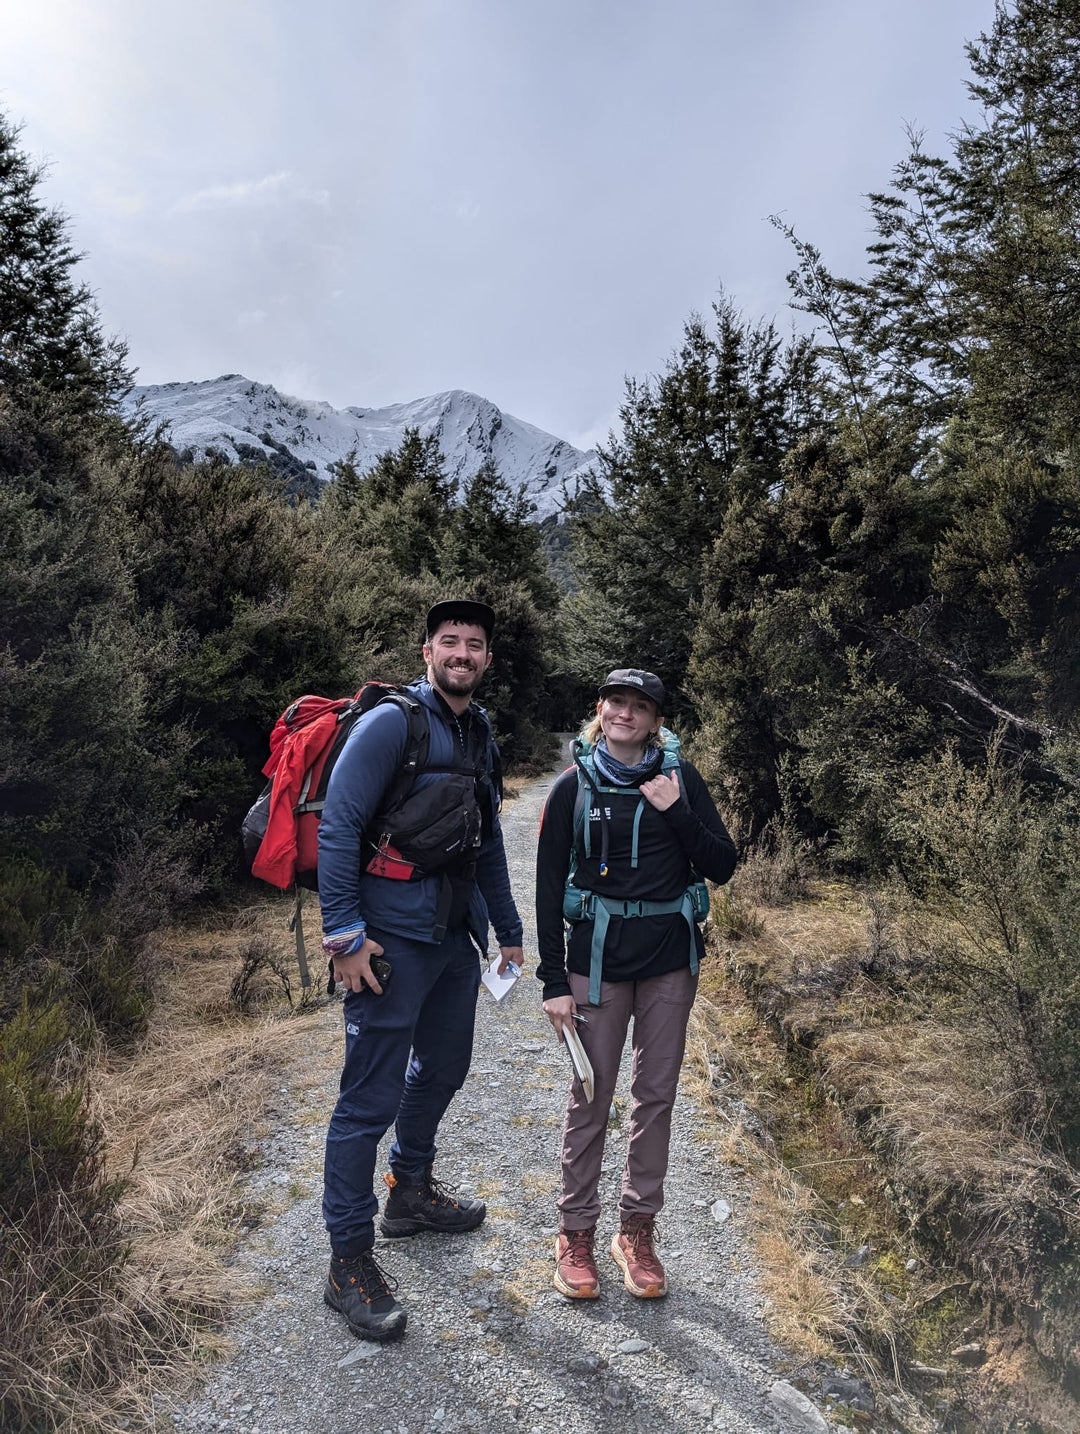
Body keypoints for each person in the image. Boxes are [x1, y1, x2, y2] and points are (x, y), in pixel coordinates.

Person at [318, 599, 524, 1341]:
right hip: (389, 945)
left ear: (487, 660)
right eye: (449, 642)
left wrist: (507, 927)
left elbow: (489, 836)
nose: (461, 653)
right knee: (366, 1100)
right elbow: (339, 826)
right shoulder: (390, 724)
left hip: (451, 945)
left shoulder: (478, 729)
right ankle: (348, 1263)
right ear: (427, 649)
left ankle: (409, 1192)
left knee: (442, 1069)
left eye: (474, 644)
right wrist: (344, 936)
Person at [535, 668, 736, 1300]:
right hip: (594, 965)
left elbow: (722, 865)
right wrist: (551, 981)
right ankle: (575, 1233)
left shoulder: (681, 781)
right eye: (616, 702)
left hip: (670, 961)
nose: (626, 713)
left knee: (655, 1097)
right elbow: (545, 889)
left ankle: (637, 1231)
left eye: (639, 706)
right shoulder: (573, 787)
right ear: (601, 710)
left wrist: (675, 811)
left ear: (654, 721)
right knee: (591, 1094)